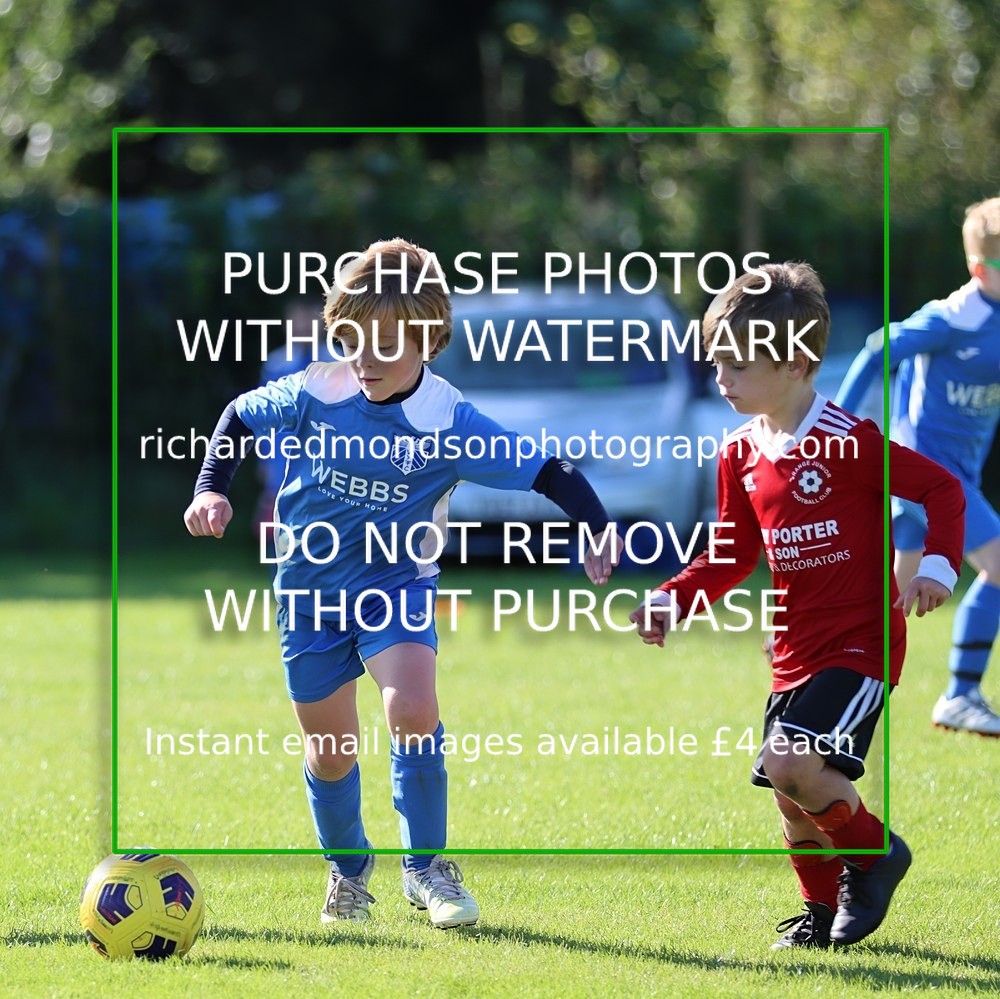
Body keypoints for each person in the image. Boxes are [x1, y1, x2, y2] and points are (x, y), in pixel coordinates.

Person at [184, 238, 620, 928]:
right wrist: (212, 489)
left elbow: (546, 468)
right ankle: (349, 873)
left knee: (412, 708)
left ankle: (428, 870)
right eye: (352, 338)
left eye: (386, 343)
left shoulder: (449, 419)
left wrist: (595, 524)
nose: (366, 357)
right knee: (330, 753)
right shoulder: (316, 389)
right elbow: (238, 416)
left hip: (395, 585)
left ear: (427, 337)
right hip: (309, 592)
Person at [630, 261, 965, 950]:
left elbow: (941, 490)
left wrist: (935, 565)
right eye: (716, 361)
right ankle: (819, 919)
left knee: (790, 762)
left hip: (861, 642)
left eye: (736, 365)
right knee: (792, 798)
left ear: (793, 364)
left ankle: (876, 857)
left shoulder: (846, 440)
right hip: (793, 651)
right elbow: (730, 557)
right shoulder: (738, 454)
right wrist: (672, 597)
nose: (719, 378)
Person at [837, 197, 1000, 736]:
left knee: (885, 608)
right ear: (980, 269)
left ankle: (824, 678)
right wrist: (833, 423)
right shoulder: (953, 318)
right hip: (926, 475)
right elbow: (877, 348)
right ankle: (961, 693)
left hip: (959, 474)